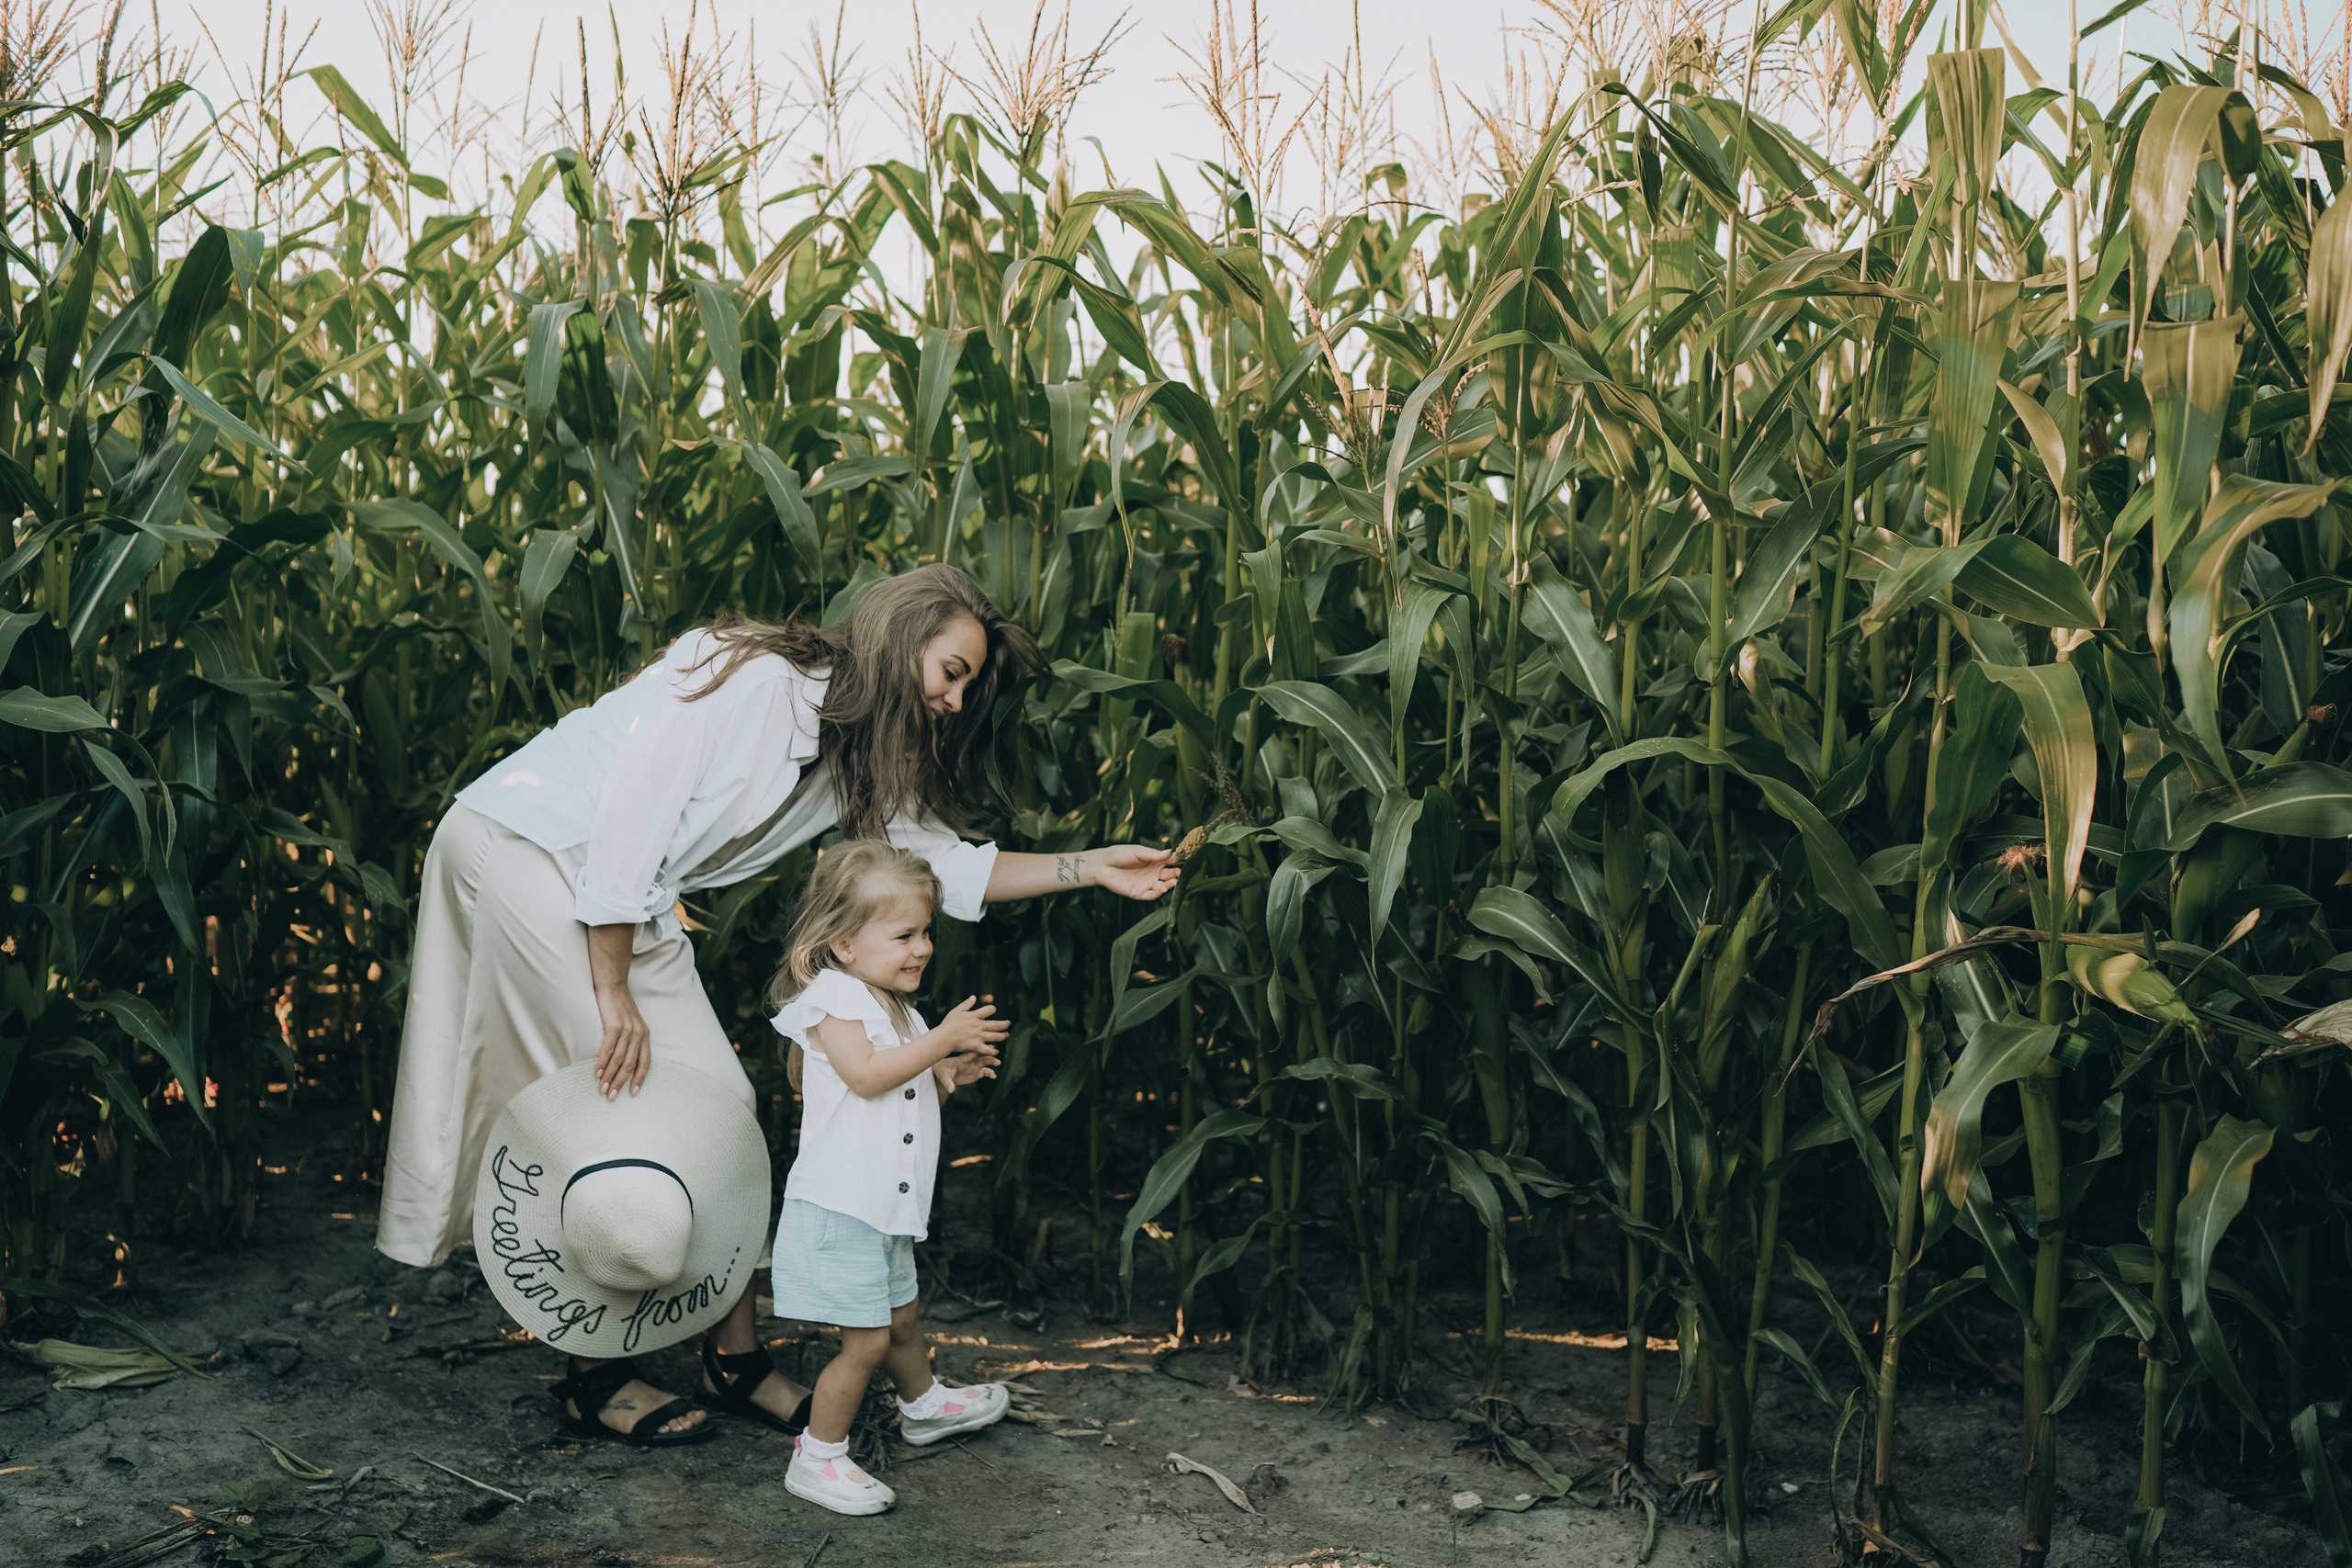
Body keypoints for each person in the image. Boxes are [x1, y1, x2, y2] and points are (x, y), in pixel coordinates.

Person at [378, 564, 1178, 1444]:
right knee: (609, 1101)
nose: (955, 700)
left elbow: (948, 866)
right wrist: (612, 988)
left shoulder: (865, 758)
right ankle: (593, 1371)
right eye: (951, 671)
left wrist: (1091, 865)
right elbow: (634, 806)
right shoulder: (758, 678)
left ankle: (734, 1355)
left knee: (724, 1105)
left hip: (622, 894)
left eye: (967, 686)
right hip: (529, 851)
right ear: (901, 635)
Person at [766, 840, 1011, 1514]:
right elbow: (867, 1075)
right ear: (843, 943)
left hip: (882, 1203)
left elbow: (904, 1091)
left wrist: (948, 1073)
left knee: (902, 1316)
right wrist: (939, 1041)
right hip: (841, 1203)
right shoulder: (836, 1000)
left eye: (926, 930)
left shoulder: (899, 1006)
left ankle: (923, 1404)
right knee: (868, 1338)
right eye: (904, 933)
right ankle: (818, 1457)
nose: (923, 946)